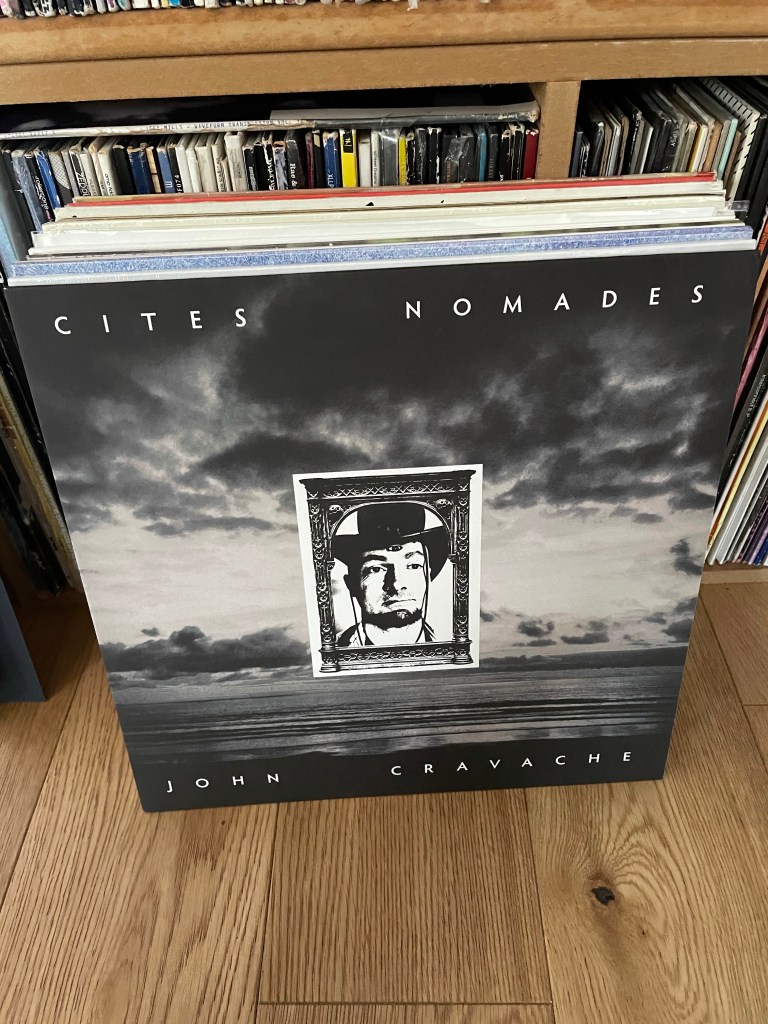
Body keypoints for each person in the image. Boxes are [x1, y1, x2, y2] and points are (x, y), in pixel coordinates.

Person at [332, 501, 450, 647]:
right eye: (376, 569)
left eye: (414, 566)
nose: (397, 584)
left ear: (427, 576)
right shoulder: (333, 649)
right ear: (352, 584)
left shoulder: (452, 645)